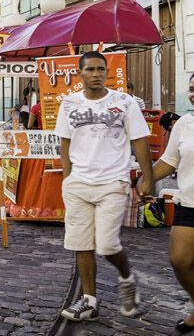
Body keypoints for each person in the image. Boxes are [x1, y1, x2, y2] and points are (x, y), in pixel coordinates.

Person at [54, 51, 153, 322]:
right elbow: (65, 142)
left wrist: (148, 178)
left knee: (108, 245)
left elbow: (140, 140)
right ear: (80, 73)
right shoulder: (69, 104)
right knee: (81, 244)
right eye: (90, 69)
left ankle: (126, 277)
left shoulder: (124, 102)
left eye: (101, 69)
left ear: (106, 71)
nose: (96, 74)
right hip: (78, 184)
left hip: (113, 182)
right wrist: (68, 178)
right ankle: (89, 301)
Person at [151, 73, 194, 334]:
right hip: (189, 202)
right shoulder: (185, 123)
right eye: (191, 88)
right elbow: (170, 161)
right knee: (180, 260)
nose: (193, 93)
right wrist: (146, 178)